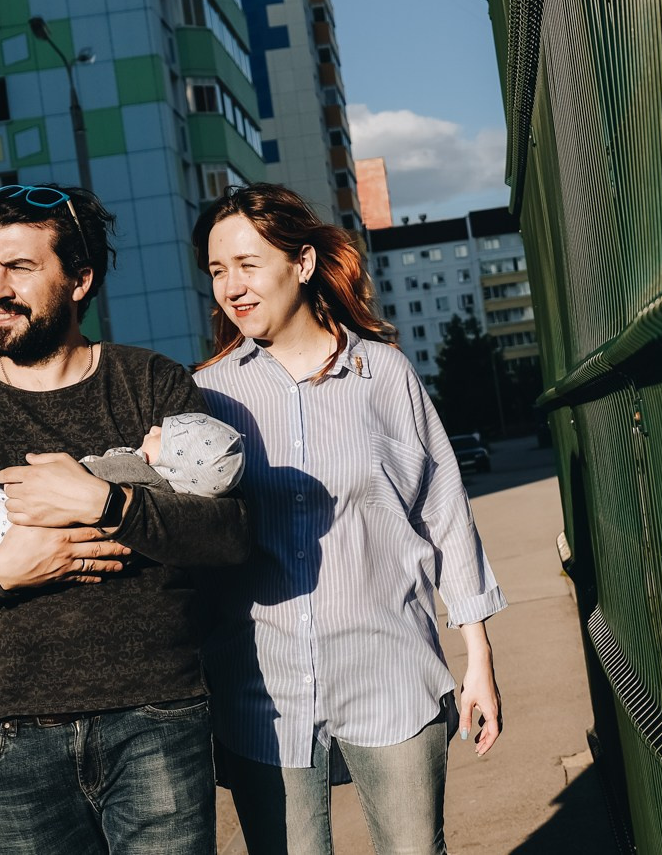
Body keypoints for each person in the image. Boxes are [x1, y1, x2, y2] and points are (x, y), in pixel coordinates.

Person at [0, 183, 252, 855]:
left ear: (80, 279)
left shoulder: (150, 383)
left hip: (157, 716)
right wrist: (2, 569)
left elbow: (228, 536)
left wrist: (108, 505)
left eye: (20, 268)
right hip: (15, 735)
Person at [193, 183, 506, 855]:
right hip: (263, 691)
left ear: (302, 263)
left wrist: (477, 655)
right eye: (218, 271)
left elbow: (445, 512)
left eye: (248, 264)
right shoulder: (211, 396)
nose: (232, 287)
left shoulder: (383, 375)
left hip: (389, 669)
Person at [0, 412, 245, 575]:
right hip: (27, 537)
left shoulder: (133, 471)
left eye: (163, 433)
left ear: (170, 458)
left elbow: (86, 480)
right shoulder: (165, 498)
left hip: (17, 514)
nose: (151, 427)